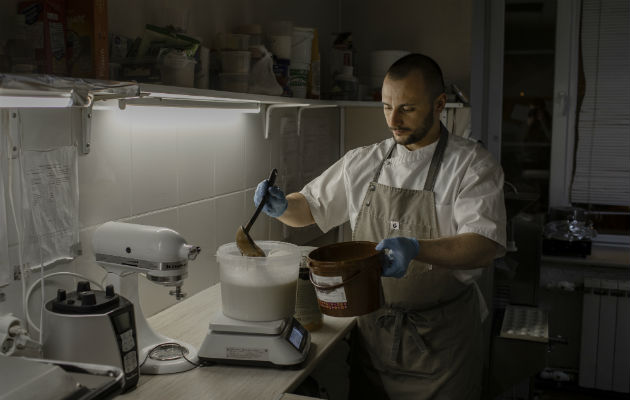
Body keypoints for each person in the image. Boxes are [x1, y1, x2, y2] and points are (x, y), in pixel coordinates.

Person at [254, 53, 506, 400]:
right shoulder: (365, 161)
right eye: (387, 106)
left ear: (439, 105)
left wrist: (418, 248)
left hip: (443, 342)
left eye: (408, 108)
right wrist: (282, 206)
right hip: (373, 333)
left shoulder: (471, 165)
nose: (394, 120)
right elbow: (308, 209)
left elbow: (483, 245)